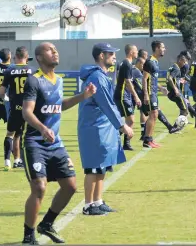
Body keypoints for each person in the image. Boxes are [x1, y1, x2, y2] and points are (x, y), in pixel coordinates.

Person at [21, 42, 96, 244]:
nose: (55, 52)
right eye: (49, 50)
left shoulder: (59, 80)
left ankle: (47, 224)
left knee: (70, 186)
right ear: (38, 57)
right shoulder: (33, 81)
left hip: (55, 143)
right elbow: (27, 111)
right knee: (39, 188)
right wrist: (43, 129)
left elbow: (59, 105)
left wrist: (83, 96)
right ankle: (29, 235)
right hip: (35, 142)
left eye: (55, 50)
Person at [78, 43, 134, 216]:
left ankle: (98, 201)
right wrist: (122, 125)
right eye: (111, 53)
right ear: (101, 56)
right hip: (94, 127)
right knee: (93, 167)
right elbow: (106, 104)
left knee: (102, 166)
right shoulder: (96, 77)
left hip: (103, 127)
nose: (114, 56)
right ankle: (88, 205)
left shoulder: (102, 76)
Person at [0, 46, 34, 170]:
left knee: (12, 134)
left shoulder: (9, 70)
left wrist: (6, 99)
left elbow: (1, 92)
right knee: (28, 135)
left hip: (15, 107)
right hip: (29, 108)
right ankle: (26, 161)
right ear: (25, 57)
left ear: (16, 56)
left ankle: (9, 161)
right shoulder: (33, 71)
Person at [114, 44, 142, 150]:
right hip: (122, 95)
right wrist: (136, 97)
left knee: (129, 120)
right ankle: (114, 140)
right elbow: (128, 82)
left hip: (124, 95)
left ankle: (125, 143)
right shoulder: (127, 63)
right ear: (131, 52)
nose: (137, 52)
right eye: (136, 50)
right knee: (130, 120)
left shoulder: (126, 63)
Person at [141, 40, 164, 148]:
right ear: (157, 48)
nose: (164, 49)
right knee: (153, 114)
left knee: (154, 115)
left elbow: (153, 79)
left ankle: (150, 139)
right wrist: (145, 94)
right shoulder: (149, 61)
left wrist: (161, 88)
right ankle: (147, 140)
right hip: (150, 93)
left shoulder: (155, 61)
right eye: (163, 47)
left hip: (154, 92)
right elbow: (144, 79)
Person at [167, 54, 190, 119]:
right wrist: (175, 89)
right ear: (180, 60)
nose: (185, 63)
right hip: (176, 92)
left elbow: (173, 78)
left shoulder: (172, 66)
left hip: (171, 92)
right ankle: (176, 126)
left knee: (184, 109)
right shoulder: (176, 69)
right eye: (184, 62)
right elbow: (170, 78)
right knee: (185, 111)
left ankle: (178, 126)